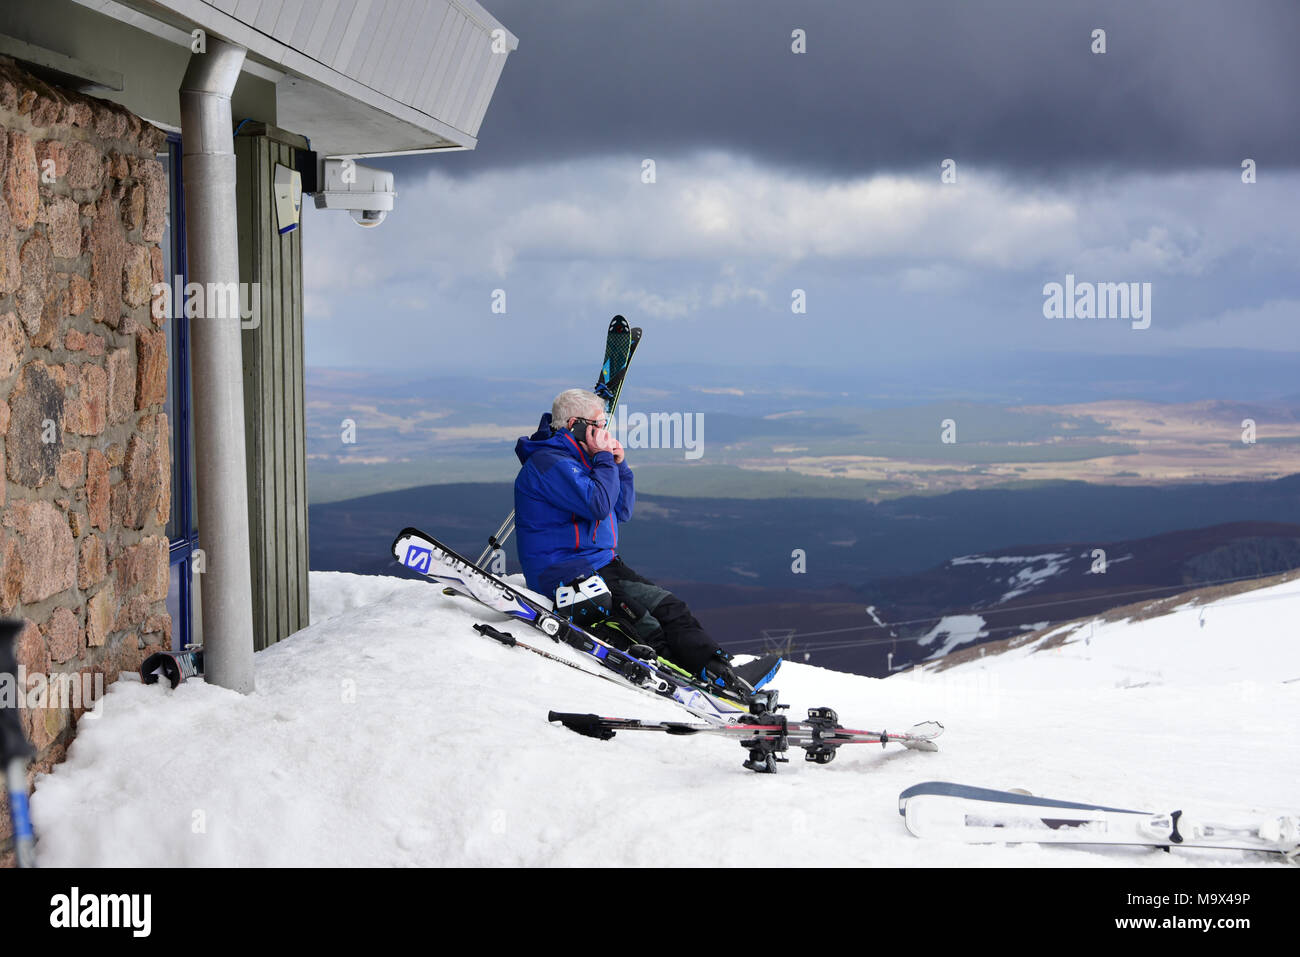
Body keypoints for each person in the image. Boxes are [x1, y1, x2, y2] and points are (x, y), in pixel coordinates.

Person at [512, 389, 762, 696]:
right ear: (576, 424)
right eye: (599, 425)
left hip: (601, 563)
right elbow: (598, 505)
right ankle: (685, 682)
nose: (604, 432)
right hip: (563, 571)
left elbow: (622, 510)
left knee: (670, 607)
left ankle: (718, 671)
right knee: (642, 622)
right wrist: (604, 457)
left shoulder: (582, 458)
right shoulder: (549, 463)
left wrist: (620, 466)